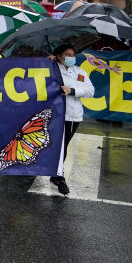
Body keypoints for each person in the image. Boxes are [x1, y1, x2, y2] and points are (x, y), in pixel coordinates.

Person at [51, 43, 95, 195]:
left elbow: (90, 91)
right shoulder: (52, 69)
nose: (71, 57)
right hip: (55, 113)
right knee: (57, 145)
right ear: (58, 56)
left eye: (72, 55)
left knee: (64, 145)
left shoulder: (80, 71)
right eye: (67, 55)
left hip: (73, 115)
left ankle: (55, 173)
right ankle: (58, 176)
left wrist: (73, 91)